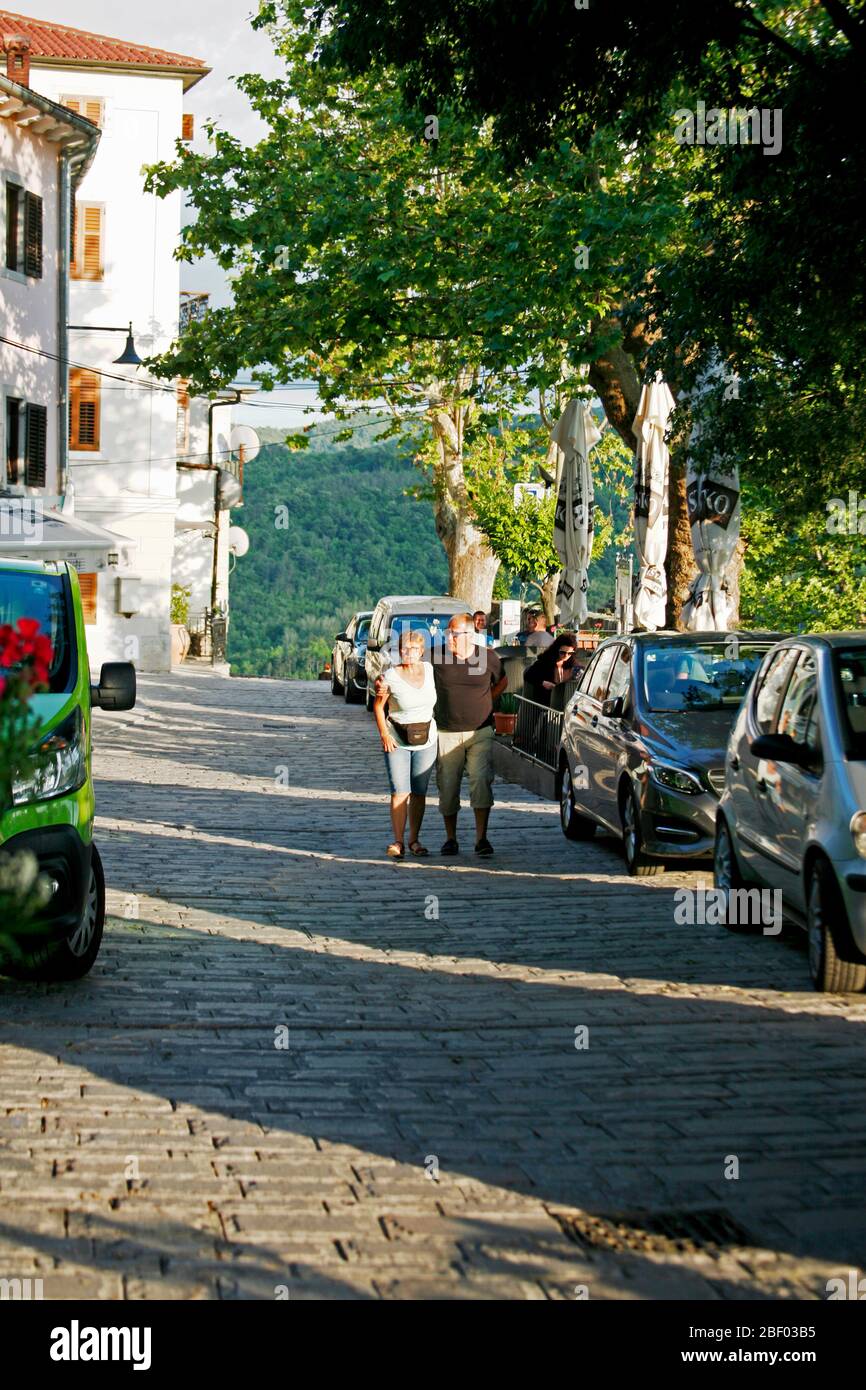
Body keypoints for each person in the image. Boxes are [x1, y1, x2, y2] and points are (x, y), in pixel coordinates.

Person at [433, 613, 507, 857]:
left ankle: (481, 838)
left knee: (481, 780)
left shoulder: (487, 657)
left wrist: (488, 700)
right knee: (448, 785)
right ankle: (450, 838)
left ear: (468, 634)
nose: (450, 638)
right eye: (448, 633)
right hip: (447, 730)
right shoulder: (437, 656)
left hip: (481, 730)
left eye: (454, 634)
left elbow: (503, 681)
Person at [373, 629, 437, 859]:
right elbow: (379, 706)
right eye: (403, 648)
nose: (406, 653)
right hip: (397, 739)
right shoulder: (391, 675)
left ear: (421, 651)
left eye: (412, 649)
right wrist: (384, 735)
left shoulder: (429, 670)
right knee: (400, 791)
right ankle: (398, 841)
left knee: (419, 792)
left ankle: (414, 840)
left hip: (426, 738)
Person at [523, 632, 582, 707]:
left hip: (565, 705)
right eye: (562, 652)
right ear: (556, 649)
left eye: (570, 653)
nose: (566, 656)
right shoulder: (545, 661)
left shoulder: (573, 664)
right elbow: (528, 674)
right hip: (546, 705)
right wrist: (543, 682)